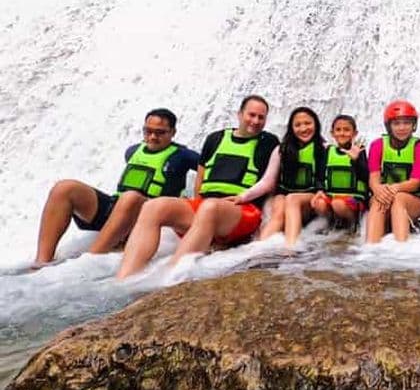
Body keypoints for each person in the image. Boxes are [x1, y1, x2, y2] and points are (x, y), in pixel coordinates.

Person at [116, 95, 279, 278]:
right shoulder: (215, 139)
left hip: (242, 212)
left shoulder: (269, 143)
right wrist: (195, 204)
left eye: (261, 117)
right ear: (239, 114)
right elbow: (200, 179)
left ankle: (168, 277)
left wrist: (266, 224)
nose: (255, 121)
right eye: (251, 115)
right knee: (154, 206)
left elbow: (271, 184)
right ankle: (124, 278)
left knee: (210, 207)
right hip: (206, 209)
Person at [34, 108, 198, 267]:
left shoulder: (183, 156)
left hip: (148, 217)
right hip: (118, 211)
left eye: (160, 132)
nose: (153, 137)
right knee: (64, 187)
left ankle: (90, 260)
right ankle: (42, 261)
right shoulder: (133, 151)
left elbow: (209, 168)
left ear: (172, 132)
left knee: (131, 197)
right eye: (148, 131)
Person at [257, 107, 326, 245]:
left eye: (308, 123)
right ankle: (256, 249)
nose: (303, 128)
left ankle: (291, 248)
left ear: (316, 124)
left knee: (292, 199)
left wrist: (321, 192)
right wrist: (243, 197)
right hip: (284, 195)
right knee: (279, 211)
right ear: (291, 128)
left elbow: (325, 178)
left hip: (310, 199)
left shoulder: (324, 148)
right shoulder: (281, 150)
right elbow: (268, 180)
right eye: (298, 125)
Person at [365, 100, 420, 243]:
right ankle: (370, 247)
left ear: (414, 125)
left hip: (412, 202)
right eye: (396, 123)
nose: (402, 127)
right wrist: (378, 190)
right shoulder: (377, 145)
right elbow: (373, 179)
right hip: (384, 198)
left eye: (407, 123)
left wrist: (392, 189)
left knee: (398, 198)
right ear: (389, 126)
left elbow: (415, 183)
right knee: (377, 199)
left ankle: (401, 247)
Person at [310, 114, 369, 232]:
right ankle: (331, 224)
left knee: (338, 204)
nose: (342, 133)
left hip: (354, 199)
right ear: (332, 134)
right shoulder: (328, 152)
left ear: (355, 133)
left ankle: (351, 225)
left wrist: (355, 160)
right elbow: (320, 175)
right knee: (319, 203)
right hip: (332, 195)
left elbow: (365, 176)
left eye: (346, 130)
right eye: (338, 130)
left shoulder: (359, 151)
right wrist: (320, 190)